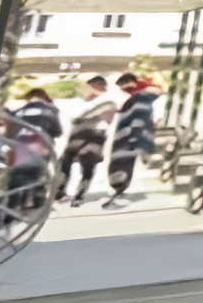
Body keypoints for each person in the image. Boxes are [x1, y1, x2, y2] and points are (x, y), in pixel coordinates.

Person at [55, 77, 115, 206]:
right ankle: (61, 191)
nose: (90, 89)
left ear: (101, 86)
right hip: (77, 136)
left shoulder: (108, 100)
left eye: (93, 86)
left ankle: (79, 195)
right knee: (65, 162)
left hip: (95, 136)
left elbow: (108, 120)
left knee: (87, 166)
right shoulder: (85, 100)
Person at [102, 73, 160, 210]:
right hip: (128, 137)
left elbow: (138, 119)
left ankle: (119, 194)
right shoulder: (138, 97)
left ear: (132, 82)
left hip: (129, 138)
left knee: (122, 164)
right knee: (122, 164)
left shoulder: (141, 97)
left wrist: (133, 137)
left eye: (123, 85)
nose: (123, 89)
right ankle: (119, 192)